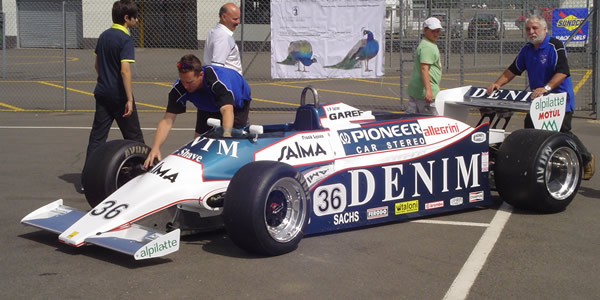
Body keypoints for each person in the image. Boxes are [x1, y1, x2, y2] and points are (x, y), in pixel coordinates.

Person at [486, 15, 595, 180]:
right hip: (539, 102)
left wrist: (546, 88)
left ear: (544, 29)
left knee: (562, 133)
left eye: (535, 28)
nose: (531, 32)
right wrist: (497, 83)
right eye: (528, 29)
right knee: (531, 132)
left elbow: (563, 72)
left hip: (559, 100)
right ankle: (535, 167)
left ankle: (586, 158)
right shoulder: (527, 50)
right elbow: (513, 70)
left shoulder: (555, 46)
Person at [143, 54, 251, 169]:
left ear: (201, 75)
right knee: (198, 144)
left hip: (236, 102)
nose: (185, 86)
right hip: (206, 105)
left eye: (189, 82)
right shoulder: (179, 88)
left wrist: (226, 136)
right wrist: (155, 148)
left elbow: (227, 110)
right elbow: (167, 120)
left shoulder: (216, 81)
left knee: (232, 144)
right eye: (183, 81)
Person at [85, 0, 144, 167]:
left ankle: (88, 178)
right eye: (135, 17)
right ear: (127, 18)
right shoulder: (125, 39)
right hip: (119, 95)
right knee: (134, 136)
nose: (137, 20)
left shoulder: (104, 35)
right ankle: (139, 172)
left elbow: (97, 65)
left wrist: (106, 78)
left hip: (102, 92)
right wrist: (129, 100)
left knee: (97, 137)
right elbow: (125, 71)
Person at [407, 17, 443, 115]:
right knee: (433, 121)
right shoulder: (427, 47)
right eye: (433, 31)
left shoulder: (428, 44)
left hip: (418, 90)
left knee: (413, 119)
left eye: (438, 31)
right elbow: (424, 68)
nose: (436, 34)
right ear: (425, 30)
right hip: (424, 93)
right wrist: (428, 90)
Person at [203, 2, 242, 74]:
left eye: (238, 19)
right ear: (223, 17)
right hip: (228, 82)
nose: (238, 22)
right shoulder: (223, 37)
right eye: (235, 19)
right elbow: (217, 67)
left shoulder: (214, 31)